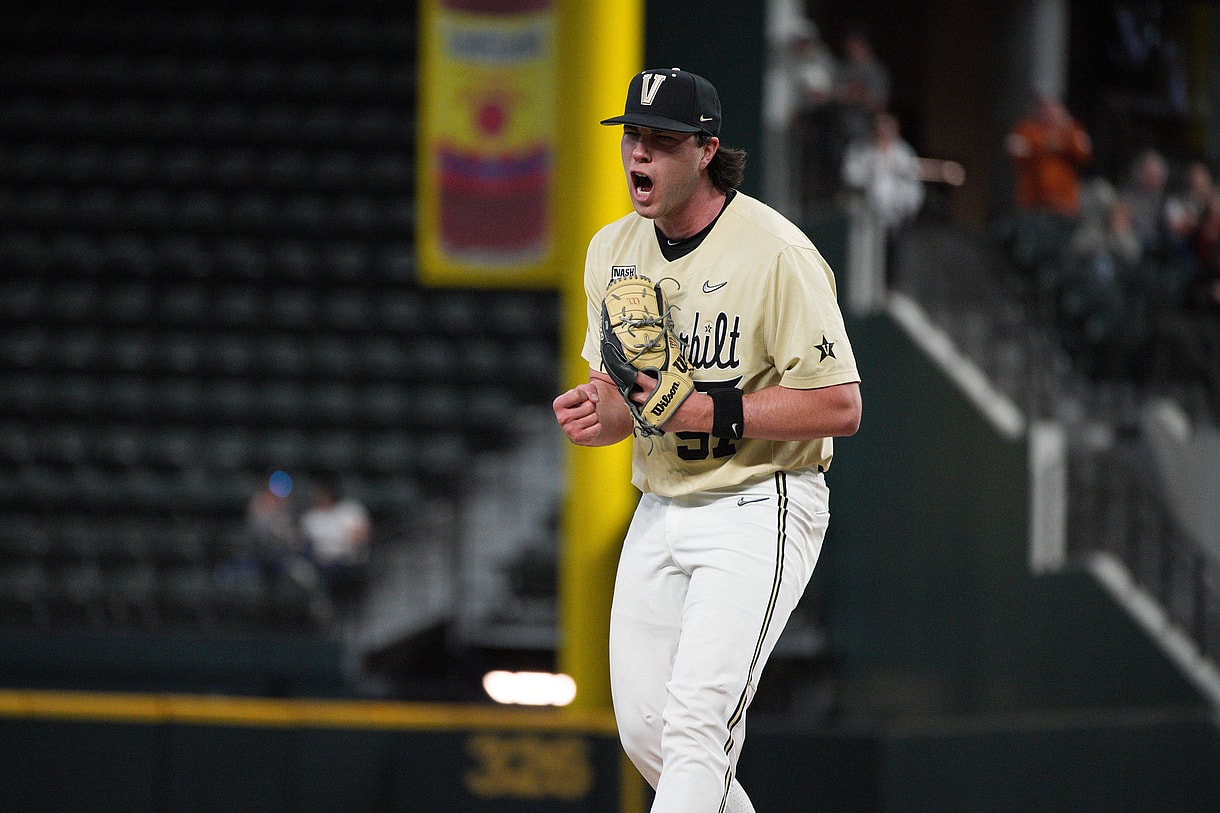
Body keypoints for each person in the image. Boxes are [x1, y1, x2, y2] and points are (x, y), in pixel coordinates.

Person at [552, 68, 862, 813]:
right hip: (662, 503)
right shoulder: (611, 250)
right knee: (648, 732)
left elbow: (841, 405)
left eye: (660, 141)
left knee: (697, 725)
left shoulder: (775, 253)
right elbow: (629, 395)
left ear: (706, 151)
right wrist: (603, 409)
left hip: (761, 500)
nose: (638, 155)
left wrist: (711, 410)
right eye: (632, 136)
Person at [1005, 93, 1093, 218]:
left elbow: (1085, 154)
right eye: (1043, 107)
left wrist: (1064, 140)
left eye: (1052, 107)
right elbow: (1014, 151)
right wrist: (1043, 143)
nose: (1048, 111)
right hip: (1032, 201)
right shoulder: (1026, 129)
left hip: (1064, 204)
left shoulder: (1072, 130)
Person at [299, 474, 371, 601]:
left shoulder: (349, 509)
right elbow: (304, 543)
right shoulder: (310, 517)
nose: (320, 497)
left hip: (347, 561)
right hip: (319, 563)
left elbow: (362, 536)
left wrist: (339, 549)